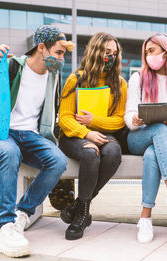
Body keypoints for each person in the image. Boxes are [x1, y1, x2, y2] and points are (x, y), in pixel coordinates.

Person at [0, 25, 74, 257]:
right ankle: (5, 225)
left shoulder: (53, 76)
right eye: (58, 52)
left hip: (31, 136)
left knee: (57, 160)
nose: (62, 58)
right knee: (9, 153)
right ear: (41, 48)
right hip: (1, 132)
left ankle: (22, 214)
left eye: (63, 53)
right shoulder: (11, 66)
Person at [58, 32, 127, 240]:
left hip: (103, 133)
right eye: (107, 52)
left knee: (114, 151)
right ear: (95, 51)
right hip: (74, 136)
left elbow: (119, 120)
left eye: (114, 53)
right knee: (90, 153)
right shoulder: (75, 79)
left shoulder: (120, 84)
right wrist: (86, 133)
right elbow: (65, 118)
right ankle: (81, 217)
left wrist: (93, 121)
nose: (111, 57)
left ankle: (80, 207)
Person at [125, 34, 167, 243]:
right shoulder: (138, 78)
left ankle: (145, 218)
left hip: (165, 140)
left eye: (152, 51)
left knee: (154, 153)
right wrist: (135, 120)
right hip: (137, 138)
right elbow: (127, 116)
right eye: (146, 52)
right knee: (157, 130)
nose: (148, 56)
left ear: (165, 52)